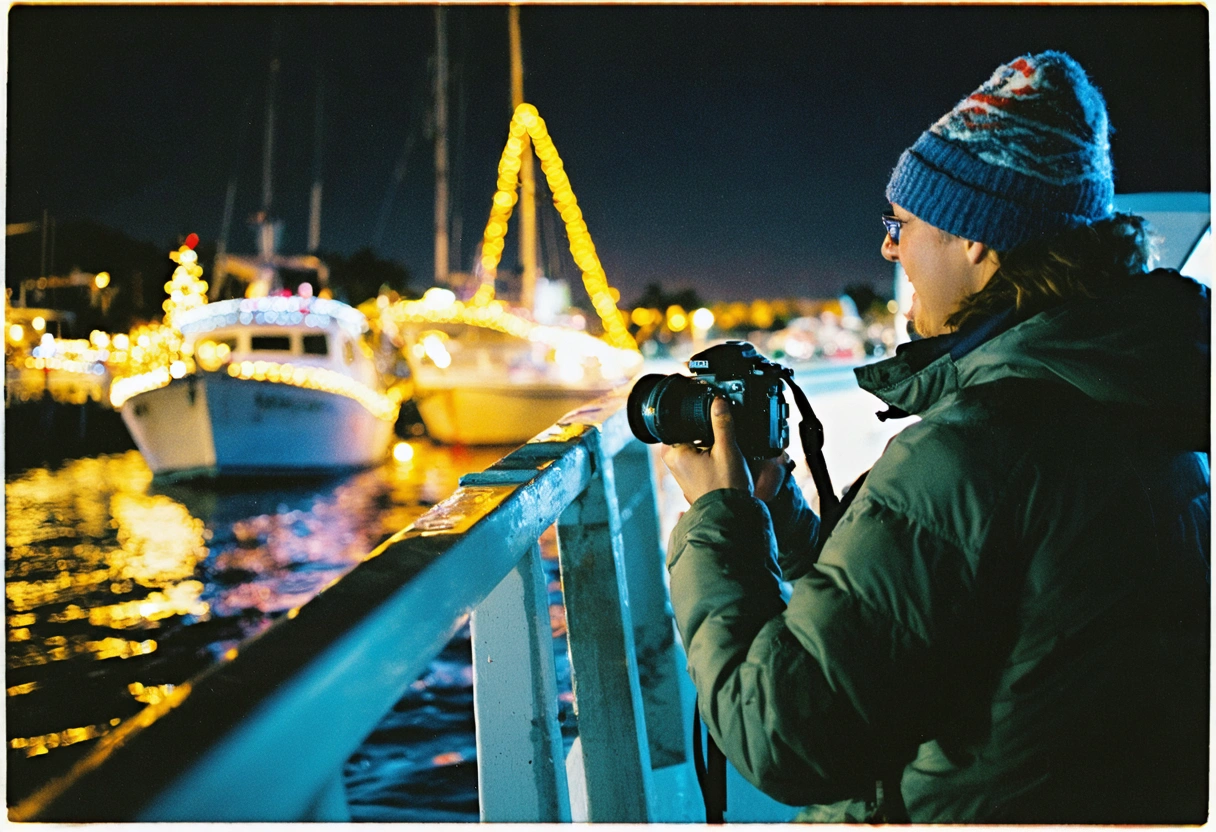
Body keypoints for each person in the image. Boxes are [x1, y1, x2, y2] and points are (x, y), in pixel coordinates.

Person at [660, 50, 1210, 823]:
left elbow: (782, 732)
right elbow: (938, 600)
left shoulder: (980, 449)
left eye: (905, 223)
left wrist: (716, 524)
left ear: (978, 240)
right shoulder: (1145, 411)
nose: (889, 248)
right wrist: (774, 514)